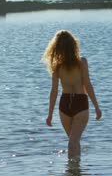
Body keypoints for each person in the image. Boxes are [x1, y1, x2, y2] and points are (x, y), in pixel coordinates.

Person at [42, 30, 102, 158]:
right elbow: (54, 91)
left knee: (72, 143)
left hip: (72, 104)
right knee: (74, 142)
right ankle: (75, 174)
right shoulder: (58, 66)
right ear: (73, 45)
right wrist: (49, 115)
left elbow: (87, 85)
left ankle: (73, 173)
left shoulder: (80, 63)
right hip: (70, 105)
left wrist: (97, 107)